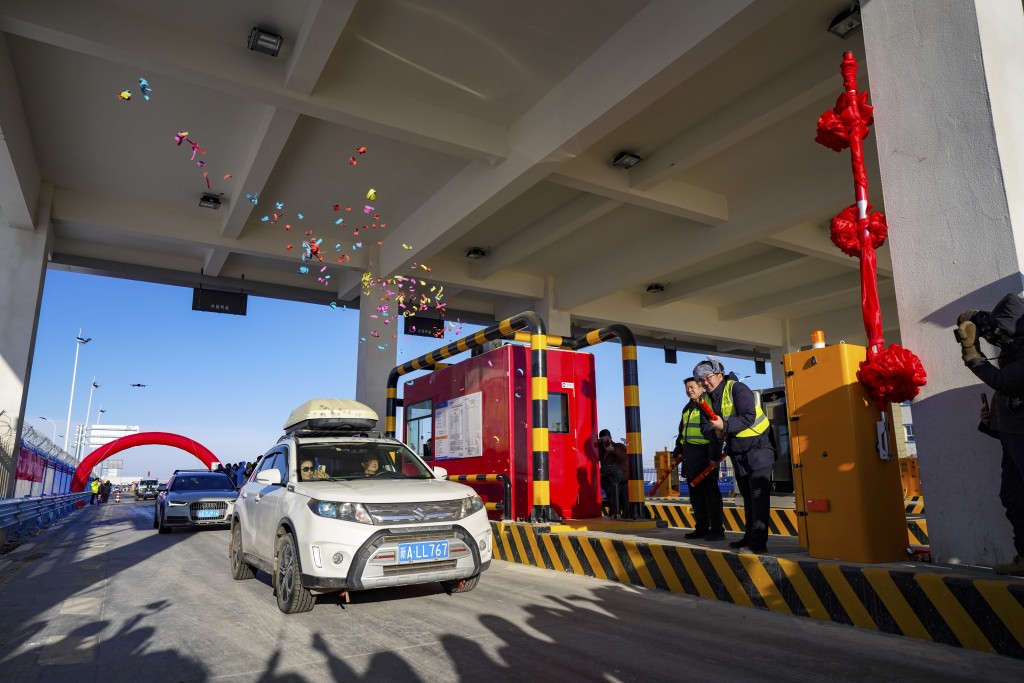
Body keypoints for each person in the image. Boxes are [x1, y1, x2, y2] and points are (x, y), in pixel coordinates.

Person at [956, 293, 1024, 575]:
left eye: (1000, 331)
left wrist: (972, 353)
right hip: (1012, 436)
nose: (997, 338)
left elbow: (1007, 383)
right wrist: (991, 422)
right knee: (1013, 497)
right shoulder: (1012, 350)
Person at [695, 356, 774, 553]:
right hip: (739, 454)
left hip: (759, 449)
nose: (705, 383)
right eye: (701, 380)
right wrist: (716, 436)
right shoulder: (707, 399)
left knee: (758, 498)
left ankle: (757, 544)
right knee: (748, 498)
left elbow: (748, 417)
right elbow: (708, 429)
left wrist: (725, 426)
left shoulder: (737, 389)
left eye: (708, 377)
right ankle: (749, 538)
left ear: (720, 375)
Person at [672, 377, 725, 541]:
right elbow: (682, 432)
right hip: (690, 456)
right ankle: (701, 528)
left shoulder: (707, 405)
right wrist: (678, 449)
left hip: (705, 454)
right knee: (696, 497)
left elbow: (716, 433)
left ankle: (717, 530)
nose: (689, 390)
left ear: (701, 388)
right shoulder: (687, 408)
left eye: (692, 387)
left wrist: (713, 456)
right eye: (686, 387)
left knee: (711, 495)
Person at [597, 429, 629, 518]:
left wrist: (613, 450)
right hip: (610, 482)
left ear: (611, 438)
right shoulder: (600, 450)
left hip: (623, 481)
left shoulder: (619, 446)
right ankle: (614, 514)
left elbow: (625, 456)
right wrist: (599, 445)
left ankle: (626, 517)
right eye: (603, 439)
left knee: (626, 504)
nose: (605, 441)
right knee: (613, 502)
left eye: (607, 439)